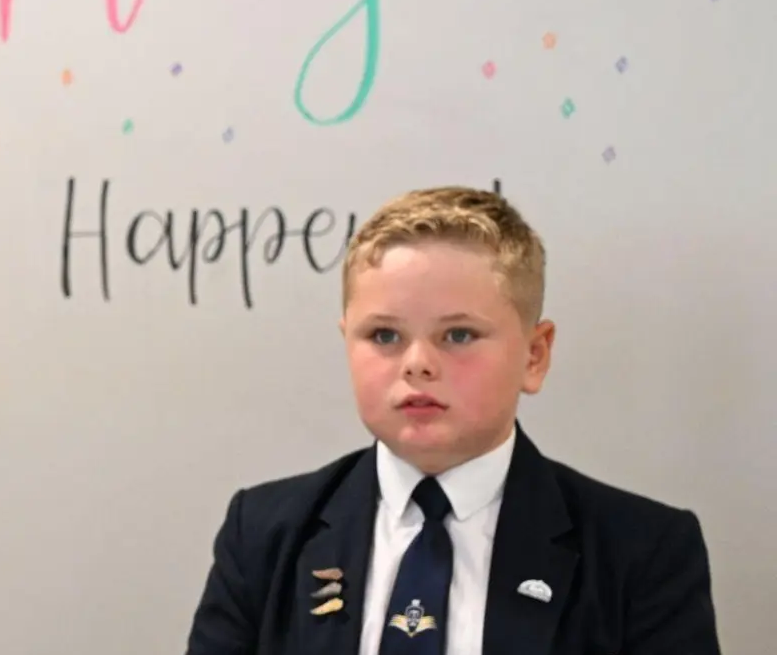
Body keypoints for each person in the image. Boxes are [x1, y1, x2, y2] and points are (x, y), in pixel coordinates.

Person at [183, 186, 720, 655]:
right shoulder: (264, 534)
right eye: (384, 336)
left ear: (534, 356)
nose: (417, 363)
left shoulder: (642, 551)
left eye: (458, 335)